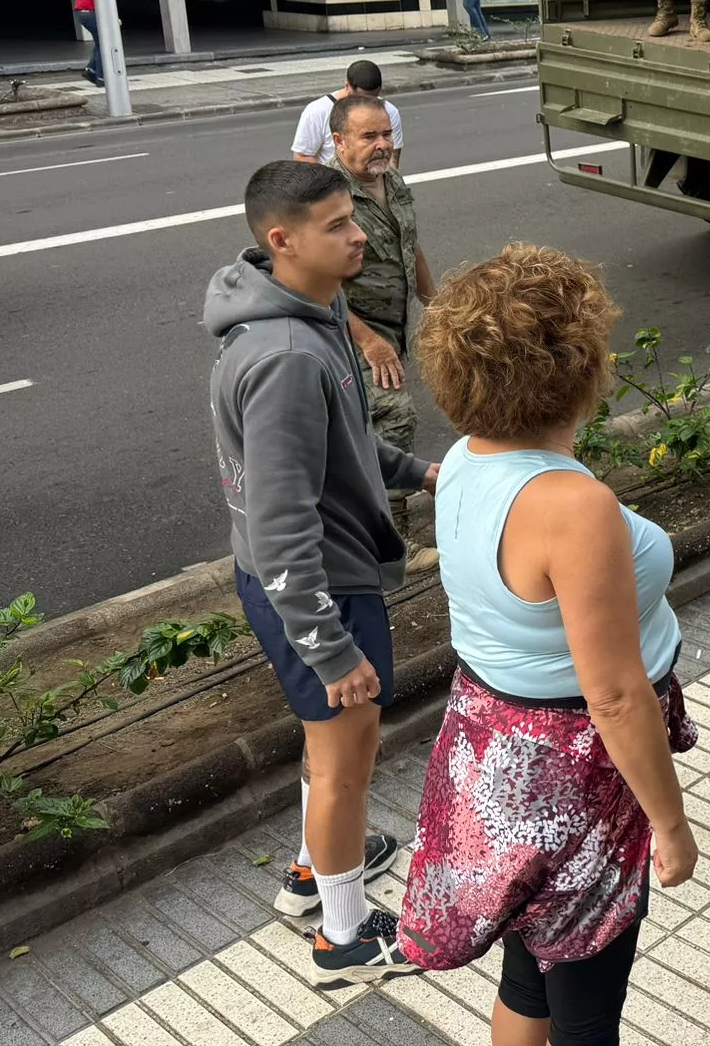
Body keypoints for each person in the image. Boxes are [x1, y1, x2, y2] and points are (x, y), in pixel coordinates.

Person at [399, 244, 699, 1046]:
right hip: (579, 767)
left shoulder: (466, 460)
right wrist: (669, 821)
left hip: (492, 742)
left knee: (531, 969)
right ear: (577, 363)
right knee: (589, 999)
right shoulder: (572, 504)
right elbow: (614, 692)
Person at [205, 160, 436, 981]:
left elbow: (341, 442)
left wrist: (416, 472)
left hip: (318, 580)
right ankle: (343, 933)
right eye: (338, 223)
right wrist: (329, 649)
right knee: (347, 761)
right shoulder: (285, 358)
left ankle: (316, 867)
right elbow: (279, 524)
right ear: (281, 240)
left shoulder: (315, 309)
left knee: (331, 750)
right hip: (316, 590)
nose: (360, 234)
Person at [329, 96, 436, 530]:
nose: (382, 145)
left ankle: (354, 519)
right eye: (369, 136)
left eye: (387, 134)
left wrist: (437, 302)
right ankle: (394, 536)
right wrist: (368, 341)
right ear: (339, 141)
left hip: (394, 327)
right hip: (350, 333)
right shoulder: (327, 195)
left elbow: (409, 244)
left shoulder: (391, 179)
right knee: (393, 414)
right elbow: (317, 279)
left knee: (360, 426)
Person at [292, 59, 404, 168]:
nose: (367, 104)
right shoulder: (317, 111)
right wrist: (332, 181)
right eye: (360, 98)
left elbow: (393, 159)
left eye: (373, 98)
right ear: (347, 86)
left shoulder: (389, 111)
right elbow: (302, 156)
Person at [73, 0, 102, 88]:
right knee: (104, 43)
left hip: (82, 12)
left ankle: (91, 71)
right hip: (90, 12)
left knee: (100, 43)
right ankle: (101, 77)